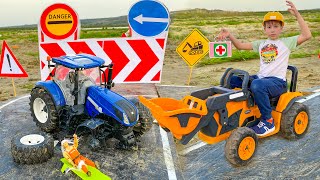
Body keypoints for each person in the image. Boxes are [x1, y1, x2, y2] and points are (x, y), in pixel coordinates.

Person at [217, 0, 312, 136]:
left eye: (275, 26)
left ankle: (268, 121)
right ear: (264, 29)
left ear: (281, 28)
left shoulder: (286, 43)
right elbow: (240, 46)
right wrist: (229, 35)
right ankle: (229, 111)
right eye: (268, 27)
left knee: (257, 85)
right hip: (262, 79)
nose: (272, 29)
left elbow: (307, 35)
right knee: (232, 78)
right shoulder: (261, 44)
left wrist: (297, 14)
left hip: (277, 83)